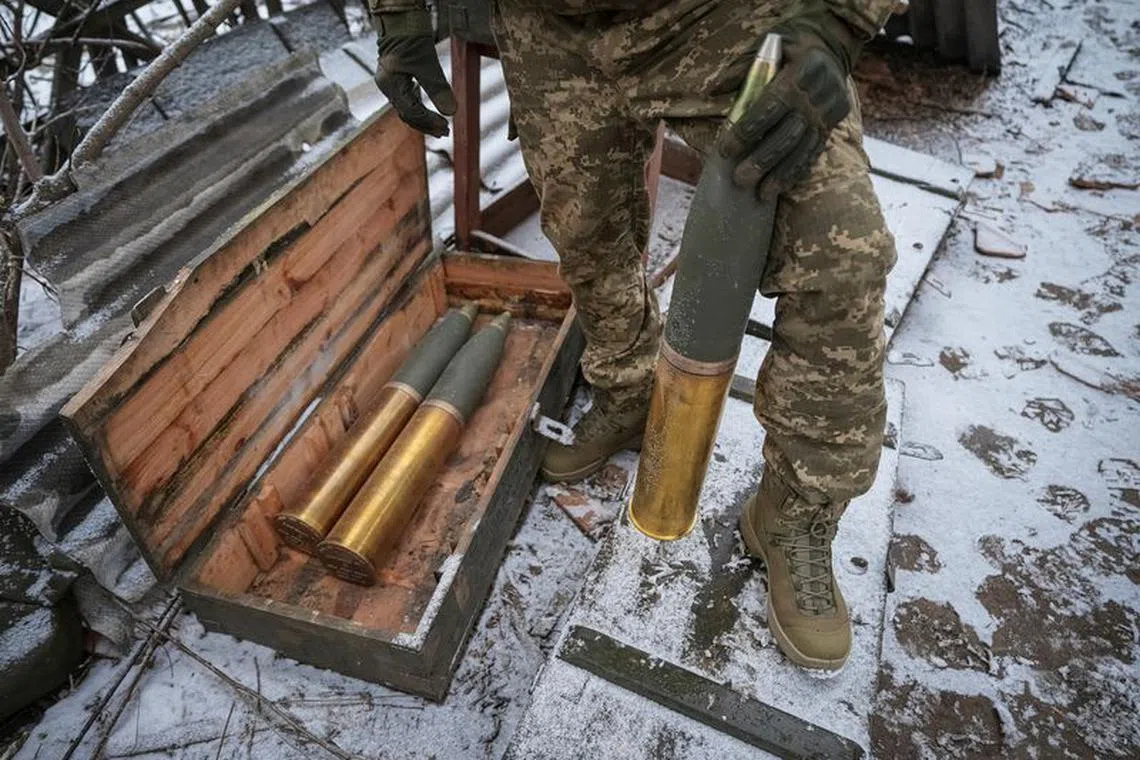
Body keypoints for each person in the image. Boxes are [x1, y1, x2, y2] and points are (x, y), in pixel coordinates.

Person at [370, 0, 897, 672]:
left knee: (839, 254)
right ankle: (626, 390)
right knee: (587, 236)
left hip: (720, 18)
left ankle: (795, 515)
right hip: (547, 26)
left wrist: (839, 21)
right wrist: (397, 13)